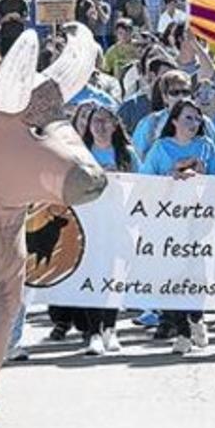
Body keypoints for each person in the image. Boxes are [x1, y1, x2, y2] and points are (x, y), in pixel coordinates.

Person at [140, 99, 215, 355]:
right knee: (172, 276)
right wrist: (170, 177)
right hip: (169, 222)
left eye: (198, 119)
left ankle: (196, 319)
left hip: (199, 221)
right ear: (174, 121)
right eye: (188, 118)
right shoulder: (160, 148)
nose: (194, 124)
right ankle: (182, 332)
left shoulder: (206, 147)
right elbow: (145, 181)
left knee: (195, 275)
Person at [78, 105, 139, 355]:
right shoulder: (82, 153)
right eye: (96, 121)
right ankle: (93, 332)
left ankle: (110, 330)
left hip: (119, 223)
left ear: (115, 125)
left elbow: (142, 185)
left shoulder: (127, 154)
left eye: (106, 121)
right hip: (90, 224)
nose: (101, 126)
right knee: (93, 276)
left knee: (114, 276)